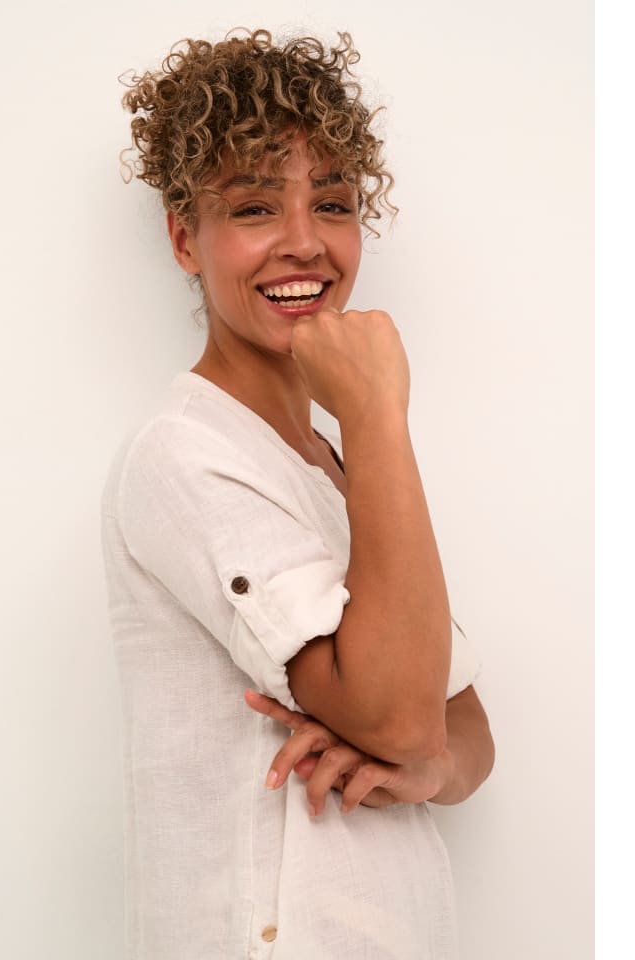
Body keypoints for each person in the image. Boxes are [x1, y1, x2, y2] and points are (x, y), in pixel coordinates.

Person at [102, 28, 494, 960]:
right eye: (253, 207)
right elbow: (400, 714)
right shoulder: (186, 456)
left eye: (332, 202)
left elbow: (464, 729)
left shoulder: (334, 465)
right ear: (184, 238)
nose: (306, 243)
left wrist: (427, 767)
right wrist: (378, 410)